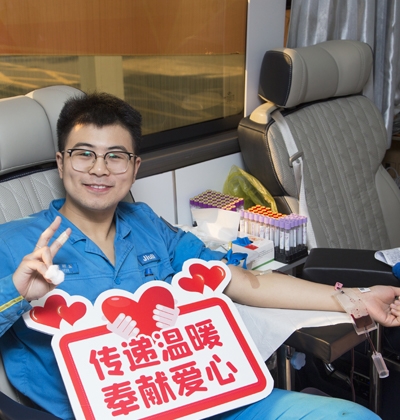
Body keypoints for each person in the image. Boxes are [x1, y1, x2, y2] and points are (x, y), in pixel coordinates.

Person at [1, 92, 400, 420]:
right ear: (61, 162)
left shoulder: (147, 224)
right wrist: (16, 292)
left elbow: (241, 280)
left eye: (115, 156)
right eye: (84, 154)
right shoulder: (16, 243)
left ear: (134, 168)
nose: (99, 169)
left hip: (201, 397)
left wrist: (355, 297)